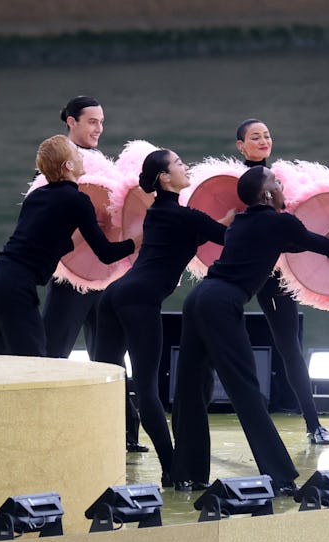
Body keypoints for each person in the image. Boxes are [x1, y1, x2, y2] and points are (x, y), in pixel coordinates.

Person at [171, 165, 329, 493]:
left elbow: (297, 243)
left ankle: (187, 474)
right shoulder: (278, 222)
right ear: (268, 193)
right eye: (277, 182)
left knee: (190, 388)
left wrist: (321, 241)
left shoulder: (242, 223)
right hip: (221, 302)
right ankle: (281, 477)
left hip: (199, 297)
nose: (283, 185)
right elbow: (323, 248)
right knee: (245, 389)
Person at [94, 149, 234, 487]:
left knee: (107, 386)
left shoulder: (156, 213)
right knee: (146, 389)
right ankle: (171, 468)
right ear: (164, 177)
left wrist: (223, 221)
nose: (186, 166)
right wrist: (241, 220)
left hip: (113, 295)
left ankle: (97, 456)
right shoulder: (187, 217)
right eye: (179, 164)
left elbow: (194, 237)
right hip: (139, 300)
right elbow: (225, 238)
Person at [41, 95, 148, 452]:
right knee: (53, 352)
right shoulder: (58, 162)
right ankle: (43, 424)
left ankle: (125, 433)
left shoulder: (101, 164)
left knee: (112, 355)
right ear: (71, 121)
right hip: (72, 276)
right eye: (91, 122)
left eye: (102, 122)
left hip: (106, 274)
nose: (98, 128)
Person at [0, 135, 135, 356]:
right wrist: (137, 240)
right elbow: (106, 254)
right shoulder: (78, 200)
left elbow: (47, 246)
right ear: (68, 165)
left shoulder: (37, 196)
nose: (82, 158)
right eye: (77, 155)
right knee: (33, 360)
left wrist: (87, 232)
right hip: (16, 285)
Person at [233, 118, 329, 445]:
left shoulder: (281, 179)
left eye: (266, 135)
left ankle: (313, 423)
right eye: (254, 137)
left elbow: (294, 228)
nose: (263, 141)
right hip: (240, 271)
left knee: (290, 345)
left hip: (276, 274)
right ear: (241, 146)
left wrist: (320, 239)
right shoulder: (230, 182)